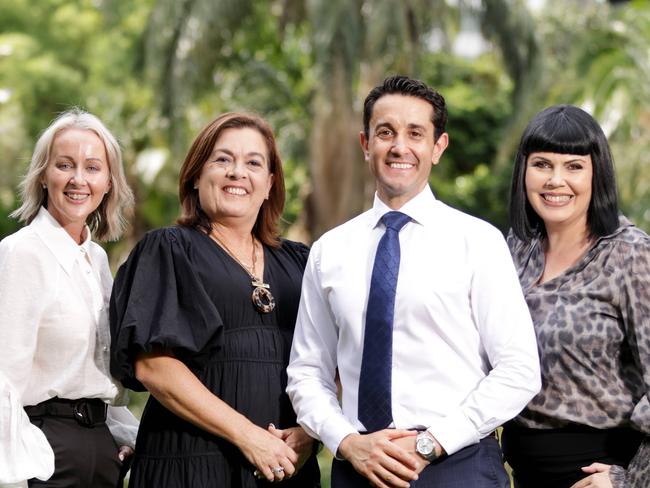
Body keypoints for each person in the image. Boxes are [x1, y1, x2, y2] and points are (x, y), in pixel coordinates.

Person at [286, 74, 541, 488]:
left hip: (458, 465)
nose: (399, 146)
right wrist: (347, 442)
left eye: (415, 133)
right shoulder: (329, 251)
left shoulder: (477, 242)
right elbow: (307, 372)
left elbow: (520, 370)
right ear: (366, 144)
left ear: (438, 147)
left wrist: (431, 443)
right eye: (385, 132)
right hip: (359, 468)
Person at [109, 112, 320, 487]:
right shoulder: (169, 250)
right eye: (222, 160)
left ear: (270, 183)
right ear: (195, 176)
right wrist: (249, 436)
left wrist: (308, 434)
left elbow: (336, 359)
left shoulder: (301, 262)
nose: (237, 172)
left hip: (285, 466)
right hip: (189, 464)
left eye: (253, 163)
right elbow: (154, 366)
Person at [501, 104, 650, 488]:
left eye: (573, 166)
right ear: (524, 171)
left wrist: (630, 480)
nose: (555, 180)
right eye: (542, 164)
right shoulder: (516, 248)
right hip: (523, 472)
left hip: (595, 473)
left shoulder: (630, 254)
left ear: (596, 174)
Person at [0, 108, 138, 488]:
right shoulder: (21, 253)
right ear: (44, 174)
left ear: (109, 182)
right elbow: (3, 379)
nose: (79, 179)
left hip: (100, 451)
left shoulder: (95, 260)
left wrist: (123, 438)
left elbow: (99, 370)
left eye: (93, 168)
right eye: (65, 165)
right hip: (45, 453)